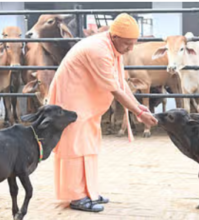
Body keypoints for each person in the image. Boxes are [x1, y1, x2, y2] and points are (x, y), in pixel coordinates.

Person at [48, 13, 158, 212]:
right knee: (75, 146)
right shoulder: (98, 50)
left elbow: (120, 82)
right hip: (71, 97)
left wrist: (138, 107)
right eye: (127, 44)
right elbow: (115, 90)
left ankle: (89, 191)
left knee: (89, 142)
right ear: (114, 37)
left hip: (83, 98)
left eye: (134, 43)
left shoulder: (112, 48)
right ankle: (75, 196)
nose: (131, 49)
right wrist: (138, 114)